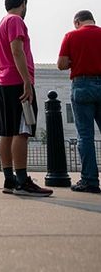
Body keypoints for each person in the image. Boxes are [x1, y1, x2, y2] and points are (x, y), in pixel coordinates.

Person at [0, 0, 53, 197]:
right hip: (17, 82)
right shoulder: (15, 20)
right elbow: (17, 50)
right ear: (23, 4)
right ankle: (23, 181)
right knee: (21, 130)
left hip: (3, 83)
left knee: (5, 132)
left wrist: (2, 72)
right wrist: (25, 80)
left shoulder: (1, 25)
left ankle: (9, 179)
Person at [57, 10, 101, 194]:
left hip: (82, 85)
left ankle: (90, 180)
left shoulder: (71, 36)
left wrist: (75, 61)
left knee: (85, 136)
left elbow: (61, 64)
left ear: (77, 22)